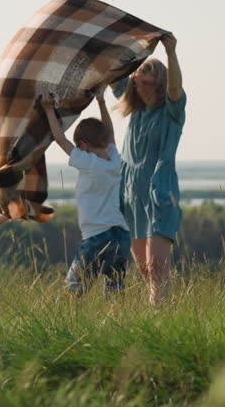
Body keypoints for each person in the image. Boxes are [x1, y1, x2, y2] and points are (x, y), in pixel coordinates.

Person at [111, 34, 183, 305]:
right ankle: (161, 311)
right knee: (144, 269)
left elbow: (175, 89)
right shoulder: (136, 109)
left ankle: (160, 317)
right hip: (130, 196)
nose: (142, 89)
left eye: (148, 84)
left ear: (159, 84)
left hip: (158, 194)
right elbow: (110, 71)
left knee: (157, 268)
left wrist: (171, 53)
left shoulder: (171, 112)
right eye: (138, 84)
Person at [41, 89, 130, 296]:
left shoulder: (88, 161)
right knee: (115, 291)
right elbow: (110, 133)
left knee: (73, 291)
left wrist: (48, 110)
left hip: (96, 236)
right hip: (123, 235)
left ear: (83, 145)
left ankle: (71, 325)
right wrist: (101, 102)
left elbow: (60, 139)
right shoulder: (114, 160)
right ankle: (117, 324)